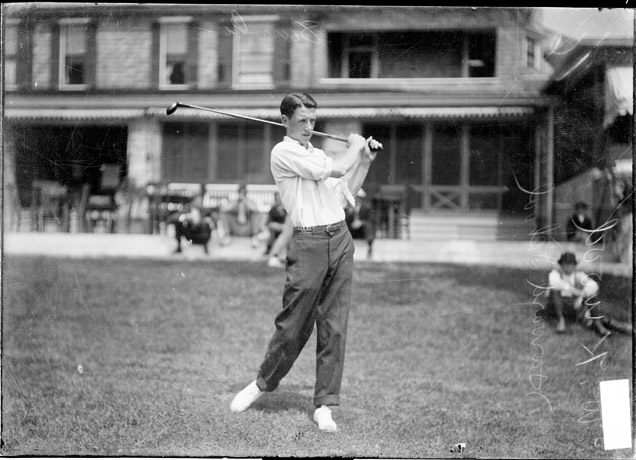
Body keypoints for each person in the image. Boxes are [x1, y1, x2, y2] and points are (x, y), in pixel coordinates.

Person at [230, 93, 381, 432]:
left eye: (313, 121)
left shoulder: (318, 154)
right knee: (293, 325)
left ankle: (325, 405)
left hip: (340, 239)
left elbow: (345, 194)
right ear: (285, 121)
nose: (309, 127)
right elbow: (339, 166)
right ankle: (262, 384)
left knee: (334, 325)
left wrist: (366, 160)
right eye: (302, 121)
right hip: (308, 242)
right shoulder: (282, 153)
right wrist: (356, 145)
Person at [547, 252, 631, 336]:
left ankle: (608, 326)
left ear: (574, 265)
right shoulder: (555, 274)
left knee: (592, 297)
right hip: (558, 307)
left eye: (570, 264)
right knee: (555, 291)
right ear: (561, 265)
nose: (568, 267)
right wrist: (572, 290)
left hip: (574, 306)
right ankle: (561, 321)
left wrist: (581, 295)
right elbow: (555, 283)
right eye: (565, 264)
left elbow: (593, 286)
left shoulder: (578, 275)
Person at [173, 184, 214, 255]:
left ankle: (205, 247)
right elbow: (174, 217)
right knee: (178, 224)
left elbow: (214, 217)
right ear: (193, 201)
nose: (199, 202)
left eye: (200, 200)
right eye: (197, 200)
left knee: (206, 225)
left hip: (200, 235)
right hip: (190, 236)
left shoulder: (204, 211)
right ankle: (179, 247)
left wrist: (207, 220)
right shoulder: (187, 209)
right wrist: (184, 217)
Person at [344, 188, 375, 258]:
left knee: (368, 227)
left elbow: (370, 220)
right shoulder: (348, 208)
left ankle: (369, 247)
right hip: (351, 229)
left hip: (361, 230)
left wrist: (361, 222)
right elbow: (345, 221)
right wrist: (350, 213)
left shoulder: (366, 207)